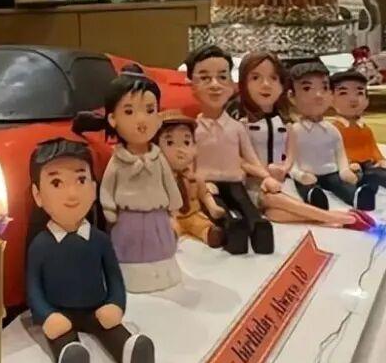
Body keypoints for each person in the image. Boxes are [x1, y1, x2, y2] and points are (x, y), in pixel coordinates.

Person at [25, 138, 154, 363]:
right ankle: (70, 359)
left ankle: (131, 352)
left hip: (97, 308)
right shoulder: (40, 245)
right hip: (59, 313)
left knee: (112, 328)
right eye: (56, 183)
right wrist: (46, 315)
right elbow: (33, 288)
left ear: (94, 188)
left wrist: (116, 304)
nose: (72, 193)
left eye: (81, 180)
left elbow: (115, 277)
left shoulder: (100, 240)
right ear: (37, 195)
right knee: (64, 339)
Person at [236, 52, 374, 229]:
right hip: (255, 185)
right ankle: (339, 218)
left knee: (274, 212)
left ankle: (330, 218)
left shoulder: (286, 124)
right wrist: (265, 175)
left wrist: (284, 168)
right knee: (273, 199)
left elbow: (291, 154)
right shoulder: (241, 125)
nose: (266, 84)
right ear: (243, 83)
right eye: (255, 78)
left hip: (282, 181)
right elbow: (241, 159)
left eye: (273, 78)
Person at [90, 70, 184, 292]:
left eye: (150, 110)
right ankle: (129, 277)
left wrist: (174, 205)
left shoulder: (158, 157)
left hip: (156, 216)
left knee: (160, 247)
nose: (141, 120)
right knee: (129, 251)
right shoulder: (118, 160)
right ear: (113, 119)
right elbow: (107, 187)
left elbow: (169, 183)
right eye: (129, 111)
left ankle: (162, 272)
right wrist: (109, 208)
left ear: (159, 116)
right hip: (128, 219)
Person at [184, 44, 276, 255]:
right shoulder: (192, 129)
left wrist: (266, 177)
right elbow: (188, 164)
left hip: (235, 181)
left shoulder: (237, 128)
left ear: (232, 85)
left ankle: (259, 228)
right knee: (219, 211)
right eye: (205, 78)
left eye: (222, 77)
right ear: (192, 85)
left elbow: (251, 159)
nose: (215, 85)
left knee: (246, 205)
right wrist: (198, 183)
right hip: (207, 184)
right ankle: (232, 230)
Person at [287, 60, 376, 210]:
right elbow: (290, 160)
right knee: (307, 187)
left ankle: (356, 197)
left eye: (324, 88)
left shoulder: (332, 129)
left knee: (341, 184)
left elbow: (340, 154)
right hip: (306, 173)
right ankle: (314, 197)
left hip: (331, 172)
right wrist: (298, 174)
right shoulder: (294, 131)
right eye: (307, 88)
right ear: (292, 96)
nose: (318, 95)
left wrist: (344, 170)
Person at [329, 69, 386, 192]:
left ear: (367, 100)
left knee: (376, 173)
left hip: (368, 163)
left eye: (359, 93)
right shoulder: (333, 130)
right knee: (352, 179)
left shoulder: (365, 129)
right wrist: (347, 164)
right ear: (330, 99)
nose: (353, 99)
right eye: (343, 93)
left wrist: (380, 159)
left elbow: (373, 147)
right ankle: (358, 192)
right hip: (349, 166)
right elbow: (333, 153)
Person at [156, 111, 227, 248]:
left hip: (193, 214)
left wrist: (213, 207)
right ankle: (169, 236)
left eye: (186, 142)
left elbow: (204, 194)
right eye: (170, 142)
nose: (180, 150)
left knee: (202, 224)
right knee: (170, 227)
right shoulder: (160, 179)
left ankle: (210, 234)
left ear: (195, 147)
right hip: (171, 216)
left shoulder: (195, 177)